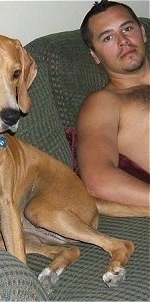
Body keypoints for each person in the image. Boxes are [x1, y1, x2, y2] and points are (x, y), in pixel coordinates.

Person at [76, 0, 149, 207]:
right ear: (95, 55)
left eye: (127, 28)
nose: (123, 41)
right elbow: (99, 180)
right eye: (108, 37)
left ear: (142, 32)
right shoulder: (104, 103)